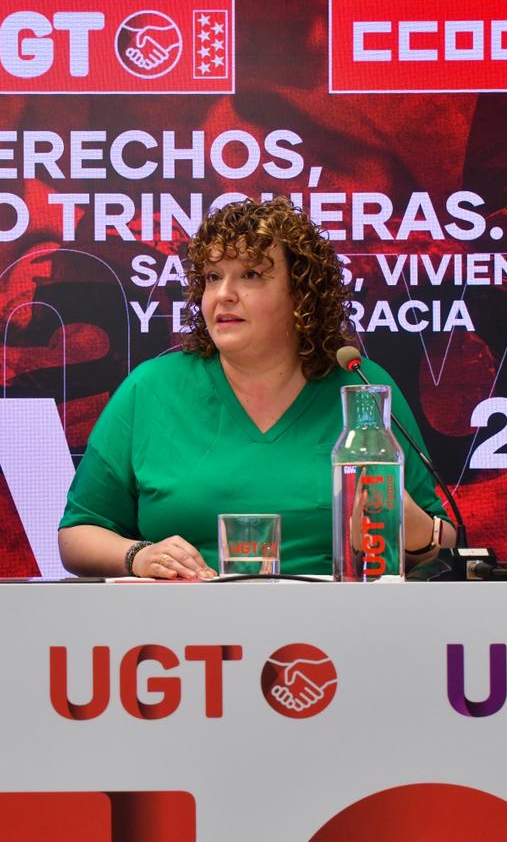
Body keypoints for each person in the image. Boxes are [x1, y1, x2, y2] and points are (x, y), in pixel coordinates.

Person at [58, 196, 449, 579]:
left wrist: (408, 529)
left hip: (338, 629)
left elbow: (444, 540)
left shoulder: (362, 389)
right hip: (182, 632)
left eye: (251, 275)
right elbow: (77, 535)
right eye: (213, 277)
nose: (224, 294)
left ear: (301, 295)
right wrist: (139, 556)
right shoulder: (151, 388)